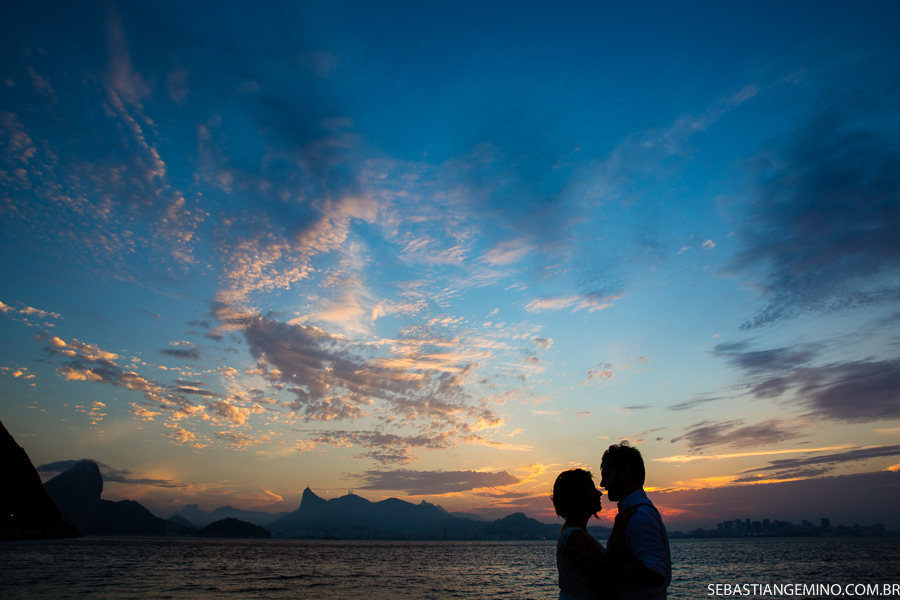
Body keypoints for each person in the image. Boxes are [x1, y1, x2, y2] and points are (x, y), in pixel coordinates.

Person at [600, 442, 671, 600]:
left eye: (607, 475)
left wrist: (599, 566)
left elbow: (655, 574)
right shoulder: (634, 514)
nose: (602, 484)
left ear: (625, 473)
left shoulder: (639, 517)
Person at [551, 468, 633, 600]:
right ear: (578, 496)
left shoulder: (576, 533)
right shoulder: (574, 536)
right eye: (591, 489)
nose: (599, 494)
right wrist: (618, 527)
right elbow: (610, 578)